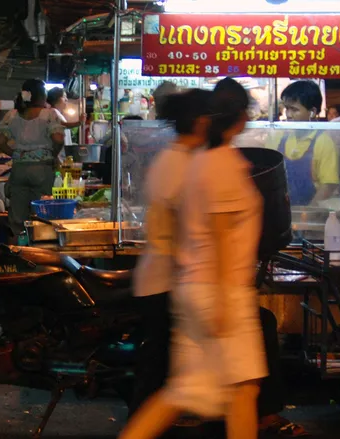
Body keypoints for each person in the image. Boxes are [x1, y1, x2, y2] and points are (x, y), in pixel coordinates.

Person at [120, 77, 266, 439]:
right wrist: (220, 299)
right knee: (243, 390)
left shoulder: (200, 160)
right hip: (219, 289)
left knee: (187, 391)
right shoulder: (221, 165)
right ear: (241, 116)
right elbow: (216, 238)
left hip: (195, 286)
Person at [131, 89, 212, 414]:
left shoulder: (179, 157)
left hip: (165, 277)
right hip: (165, 281)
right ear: (202, 122)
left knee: (160, 370)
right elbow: (184, 230)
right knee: (158, 371)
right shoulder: (181, 163)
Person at [0, 79, 66, 235]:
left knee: (17, 219)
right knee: (41, 215)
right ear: (42, 96)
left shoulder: (12, 115)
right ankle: (38, 249)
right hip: (42, 169)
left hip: (19, 170)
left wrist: (14, 153)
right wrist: (53, 153)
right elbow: (58, 139)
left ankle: (18, 250)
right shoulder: (49, 115)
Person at [265, 81, 339, 206]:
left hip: (309, 214)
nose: (288, 114)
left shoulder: (324, 142)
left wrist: (307, 214)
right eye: (287, 108)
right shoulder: (278, 136)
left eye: (294, 109)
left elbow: (328, 185)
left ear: (312, 112)